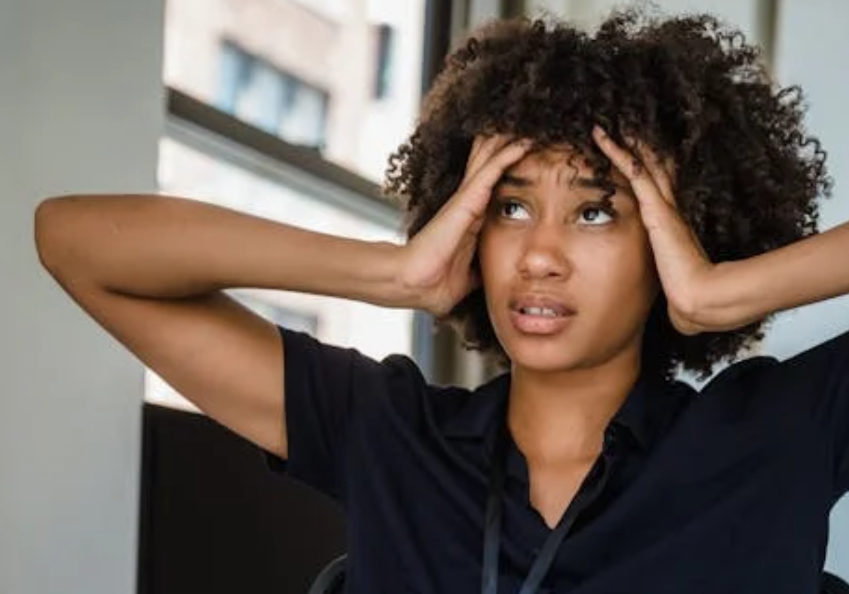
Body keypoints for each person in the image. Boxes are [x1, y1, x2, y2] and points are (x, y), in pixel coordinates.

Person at [33, 6, 849, 594]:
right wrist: (392, 273)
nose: (538, 255)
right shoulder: (389, 433)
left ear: (679, 234)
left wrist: (723, 289)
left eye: (595, 211)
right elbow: (75, 242)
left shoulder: (777, 435)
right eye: (510, 206)